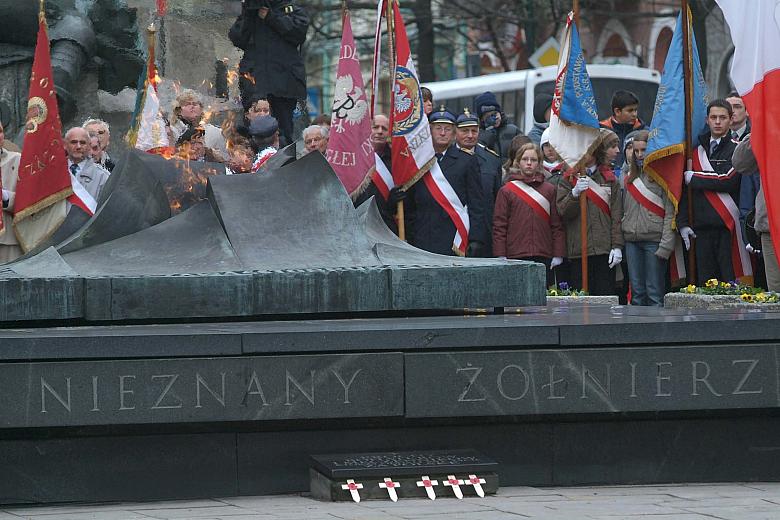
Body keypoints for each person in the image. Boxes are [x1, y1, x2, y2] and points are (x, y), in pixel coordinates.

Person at [678, 99, 743, 284]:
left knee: (729, 285)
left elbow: (729, 179)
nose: (717, 122)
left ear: (731, 120)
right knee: (704, 286)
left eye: (722, 117)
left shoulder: (736, 148)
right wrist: (682, 223)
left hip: (727, 229)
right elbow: (683, 191)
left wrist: (695, 178)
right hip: (700, 229)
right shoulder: (695, 151)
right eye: (713, 117)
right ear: (706, 120)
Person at [405, 112, 488, 257]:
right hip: (422, 235)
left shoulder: (466, 161)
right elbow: (411, 202)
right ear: (429, 130)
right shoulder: (418, 160)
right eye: (438, 128)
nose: (443, 133)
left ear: (454, 133)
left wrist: (476, 238)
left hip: (453, 237)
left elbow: (476, 204)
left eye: (447, 129)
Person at [229, 0, 309, 146]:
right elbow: (237, 38)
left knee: (283, 133)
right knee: (254, 133)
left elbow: (298, 33)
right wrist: (248, 14)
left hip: (284, 85)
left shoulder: (289, 8)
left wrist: (270, 17)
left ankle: (284, 164)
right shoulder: (251, 12)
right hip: (255, 85)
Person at [556, 130, 624, 295]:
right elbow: (563, 212)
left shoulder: (610, 179)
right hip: (579, 249)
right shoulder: (568, 179)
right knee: (581, 298)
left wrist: (617, 246)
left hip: (604, 249)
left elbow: (616, 216)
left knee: (604, 296)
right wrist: (574, 194)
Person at [493, 143, 564, 287]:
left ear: (539, 163)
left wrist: (558, 253)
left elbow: (556, 225)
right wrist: (500, 253)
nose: (529, 163)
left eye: (533, 160)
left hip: (544, 254)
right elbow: (499, 225)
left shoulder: (549, 190)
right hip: (515, 255)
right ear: (518, 162)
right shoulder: (507, 190)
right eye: (525, 159)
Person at [620, 130, 675, 306]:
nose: (639, 155)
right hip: (631, 240)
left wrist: (666, 244)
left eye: (643, 150)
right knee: (637, 294)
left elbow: (670, 212)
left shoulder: (662, 176)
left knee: (654, 293)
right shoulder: (628, 176)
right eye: (636, 151)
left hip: (654, 240)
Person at [733, 134, 778, 290]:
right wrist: (760, 129)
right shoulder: (767, 129)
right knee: (776, 294)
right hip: (771, 226)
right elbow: (741, 164)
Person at [455, 108, 501, 256]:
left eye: (474, 131)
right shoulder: (445, 158)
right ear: (456, 132)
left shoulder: (492, 160)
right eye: (465, 131)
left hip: (485, 233)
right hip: (453, 233)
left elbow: (497, 200)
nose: (470, 135)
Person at [169, 90, 226, 159]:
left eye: (195, 104)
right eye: (187, 104)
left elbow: (225, 159)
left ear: (201, 109)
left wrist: (207, 152)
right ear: (178, 110)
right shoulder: (171, 131)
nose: (192, 106)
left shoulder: (215, 132)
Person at [599, 90, 646, 175]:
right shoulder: (601, 131)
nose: (634, 114)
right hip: (606, 178)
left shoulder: (644, 132)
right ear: (617, 111)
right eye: (630, 110)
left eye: (636, 110)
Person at [64, 127, 110, 203]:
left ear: (89, 146)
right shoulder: (53, 173)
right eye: (73, 142)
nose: (78, 146)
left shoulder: (103, 177)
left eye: (83, 143)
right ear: (65, 145)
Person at [473, 91, 521, 162]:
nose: (495, 118)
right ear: (482, 119)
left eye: (495, 113)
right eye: (489, 116)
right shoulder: (479, 136)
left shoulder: (512, 130)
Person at [0, 121, 21, 263]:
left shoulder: (18, 160)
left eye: (0, 131)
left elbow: (31, 201)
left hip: (8, 241)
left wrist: (4, 197)